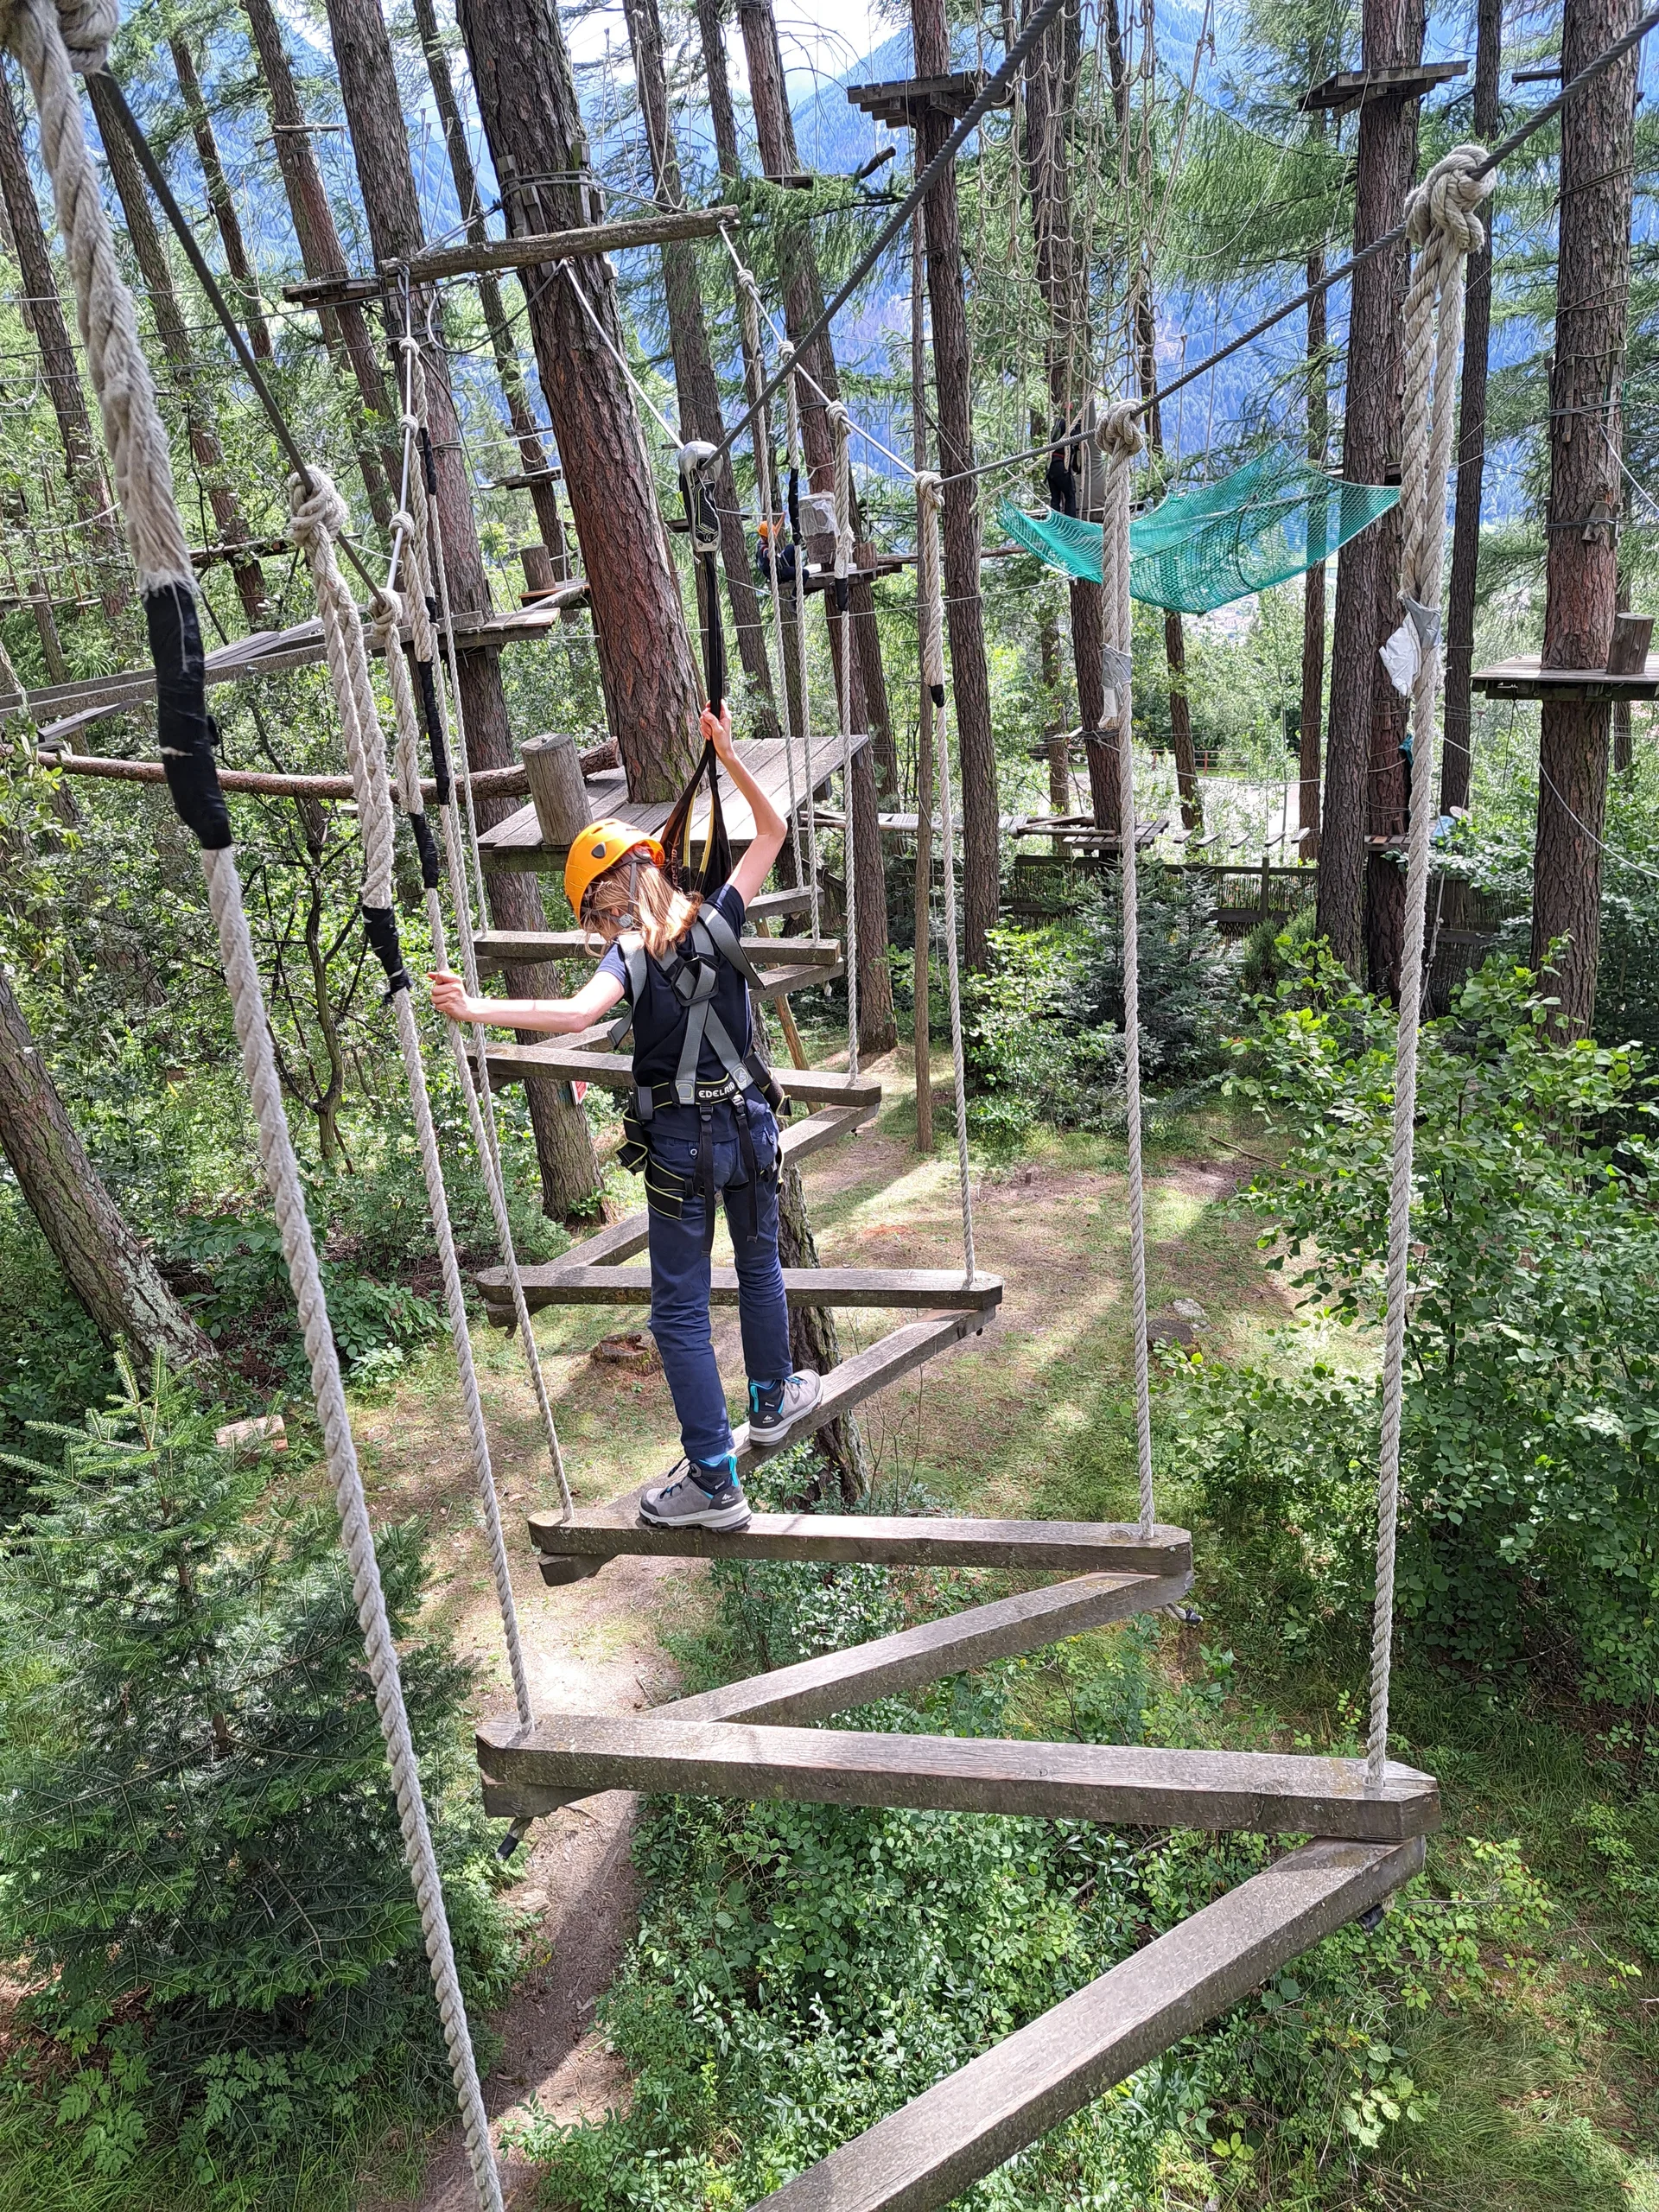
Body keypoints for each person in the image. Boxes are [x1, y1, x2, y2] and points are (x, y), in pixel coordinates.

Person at [429, 706, 819, 1534]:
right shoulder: (718, 915)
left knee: (678, 1310)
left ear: (605, 902)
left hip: (684, 1148)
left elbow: (576, 1018)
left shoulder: (628, 954)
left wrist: (473, 1009)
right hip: (754, 1129)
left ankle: (715, 1481)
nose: (593, 931)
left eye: (590, 916)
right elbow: (775, 831)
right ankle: (774, 1393)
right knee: (759, 1269)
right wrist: (725, 755)